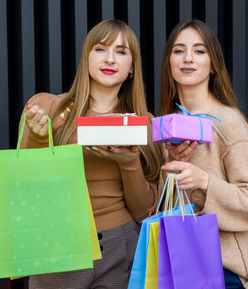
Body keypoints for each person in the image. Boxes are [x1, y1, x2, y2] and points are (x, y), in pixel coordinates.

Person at [20, 19, 163, 289]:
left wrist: (129, 160)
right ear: (86, 57)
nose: (110, 58)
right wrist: (39, 138)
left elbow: (145, 211)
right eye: (101, 49)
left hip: (121, 246)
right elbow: (27, 189)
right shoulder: (47, 109)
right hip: (58, 245)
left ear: (132, 68)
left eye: (121, 51)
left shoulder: (144, 124)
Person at [159, 20, 248, 289]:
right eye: (178, 50)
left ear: (213, 65)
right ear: (169, 63)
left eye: (199, 51)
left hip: (224, 276)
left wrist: (205, 182)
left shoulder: (228, 123)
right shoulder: (167, 126)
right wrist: (178, 163)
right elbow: (165, 208)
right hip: (179, 270)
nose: (188, 58)